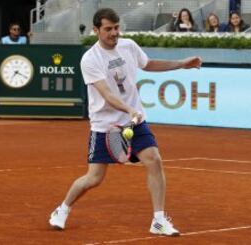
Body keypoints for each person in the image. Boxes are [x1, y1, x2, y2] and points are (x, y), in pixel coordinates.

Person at [48, 8, 202, 236]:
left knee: (154, 160)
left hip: (135, 122)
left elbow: (148, 64)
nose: (114, 33)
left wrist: (180, 64)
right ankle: (62, 209)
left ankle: (158, 220)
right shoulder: (90, 59)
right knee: (94, 178)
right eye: (108, 29)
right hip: (105, 125)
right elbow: (107, 95)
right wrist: (129, 108)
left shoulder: (129, 46)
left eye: (116, 28)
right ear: (96, 30)